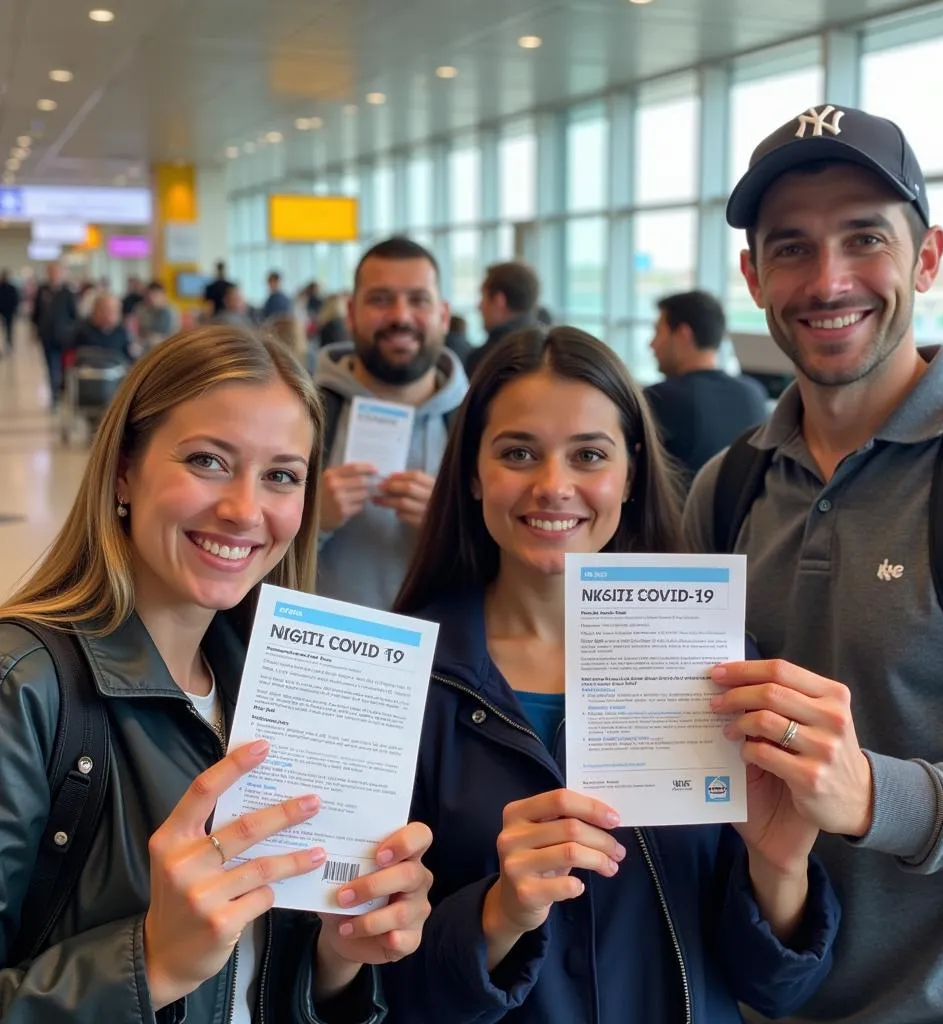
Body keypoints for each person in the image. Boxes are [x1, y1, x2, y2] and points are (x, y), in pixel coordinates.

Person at [383, 325, 840, 1022]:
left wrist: (779, 868)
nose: (552, 486)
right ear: (473, 473)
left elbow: (778, 989)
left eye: (588, 455)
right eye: (517, 453)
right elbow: (374, 982)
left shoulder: (714, 666)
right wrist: (499, 913)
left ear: (630, 472)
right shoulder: (407, 679)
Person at [682, 105, 943, 1023]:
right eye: (790, 249)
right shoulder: (727, 489)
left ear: (928, 256)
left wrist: (876, 794)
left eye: (864, 237)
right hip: (754, 997)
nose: (828, 280)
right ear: (753, 277)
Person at [0, 325, 433, 1021]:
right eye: (207, 460)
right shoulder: (23, 687)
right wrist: (150, 962)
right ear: (122, 471)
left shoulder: (282, 694)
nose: (244, 509)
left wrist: (340, 955)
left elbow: (258, 986)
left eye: (282, 476)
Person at [315, 237, 468, 611]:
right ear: (351, 314)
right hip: (327, 657)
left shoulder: (480, 422)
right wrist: (309, 521)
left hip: (446, 661)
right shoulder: (305, 415)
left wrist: (453, 526)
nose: (400, 317)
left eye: (418, 300)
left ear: (443, 316)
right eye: (380, 300)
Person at [645, 291, 768, 474]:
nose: (652, 344)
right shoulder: (754, 393)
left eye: (658, 332)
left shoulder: (660, 398)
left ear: (683, 335)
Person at [463, 262, 541, 379]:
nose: (479, 306)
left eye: (483, 297)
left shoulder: (485, 360)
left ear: (499, 300)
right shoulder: (549, 353)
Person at [31, 262, 78, 407]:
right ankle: (54, 395)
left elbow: (74, 315)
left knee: (64, 365)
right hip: (46, 334)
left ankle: (62, 391)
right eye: (51, 272)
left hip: (64, 336)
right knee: (50, 365)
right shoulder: (42, 290)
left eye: (57, 272)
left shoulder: (67, 292)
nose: (54, 275)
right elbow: (36, 313)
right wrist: (34, 330)